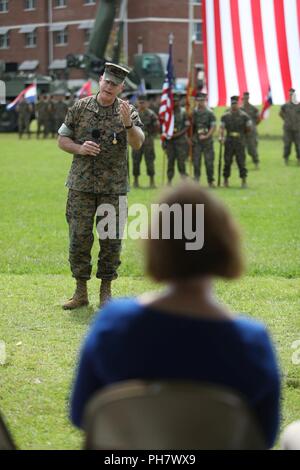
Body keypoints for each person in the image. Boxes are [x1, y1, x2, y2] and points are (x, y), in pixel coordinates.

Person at [70, 181, 281, 449]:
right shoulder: (251, 343)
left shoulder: (114, 325)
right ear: (223, 243)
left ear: (157, 245)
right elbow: (263, 436)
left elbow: (82, 415)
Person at [58, 62, 144, 309]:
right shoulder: (80, 107)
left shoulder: (128, 111)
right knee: (79, 238)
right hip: (81, 186)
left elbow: (138, 143)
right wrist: (79, 148)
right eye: (107, 81)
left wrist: (128, 124)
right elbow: (62, 139)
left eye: (114, 84)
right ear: (100, 80)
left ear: (121, 87)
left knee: (111, 240)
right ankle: (80, 292)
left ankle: (106, 292)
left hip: (113, 189)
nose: (109, 86)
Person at [219, 96, 252, 188]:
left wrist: (243, 135)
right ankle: (225, 180)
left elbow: (249, 128)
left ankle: (244, 180)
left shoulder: (244, 116)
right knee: (227, 161)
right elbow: (222, 128)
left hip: (239, 141)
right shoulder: (225, 116)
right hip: (229, 141)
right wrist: (221, 137)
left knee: (241, 161)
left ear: (238, 104)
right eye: (232, 104)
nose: (234, 106)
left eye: (235, 104)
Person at [132, 95, 159, 189]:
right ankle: (135, 181)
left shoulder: (151, 114)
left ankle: (152, 181)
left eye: (143, 102)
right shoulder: (134, 114)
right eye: (140, 102)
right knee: (136, 160)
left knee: (150, 160)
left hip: (147, 139)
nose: (142, 104)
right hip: (136, 139)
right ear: (137, 103)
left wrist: (152, 134)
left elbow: (157, 126)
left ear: (147, 103)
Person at [164, 94, 189, 185]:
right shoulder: (168, 113)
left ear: (179, 101)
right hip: (170, 142)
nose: (175, 102)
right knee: (170, 162)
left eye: (177, 101)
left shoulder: (183, 112)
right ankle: (169, 181)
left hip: (180, 142)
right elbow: (164, 126)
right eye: (173, 101)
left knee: (181, 162)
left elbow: (187, 126)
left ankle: (184, 181)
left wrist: (178, 134)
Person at [192, 92, 216, 187]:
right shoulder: (193, 113)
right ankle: (196, 181)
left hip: (207, 142)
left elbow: (213, 126)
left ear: (205, 101)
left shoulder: (209, 113)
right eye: (198, 100)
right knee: (196, 162)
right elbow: (191, 127)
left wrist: (207, 136)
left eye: (202, 100)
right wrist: (191, 138)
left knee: (209, 162)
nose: (200, 102)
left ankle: (211, 181)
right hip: (197, 142)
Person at [279, 88, 300, 166]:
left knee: (298, 145)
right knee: (287, 145)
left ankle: (299, 159)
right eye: (290, 94)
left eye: (292, 94)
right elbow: (280, 113)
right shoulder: (285, 105)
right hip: (288, 129)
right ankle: (286, 159)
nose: (291, 95)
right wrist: (286, 120)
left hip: (297, 129)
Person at [240, 92, 260, 169]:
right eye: (244, 98)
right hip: (242, 132)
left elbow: (258, 119)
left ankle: (256, 162)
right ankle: (241, 164)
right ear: (243, 99)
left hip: (251, 132)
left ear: (248, 98)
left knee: (252, 148)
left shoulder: (254, 108)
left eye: (247, 98)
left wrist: (253, 126)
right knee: (241, 149)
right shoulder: (240, 109)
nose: (246, 99)